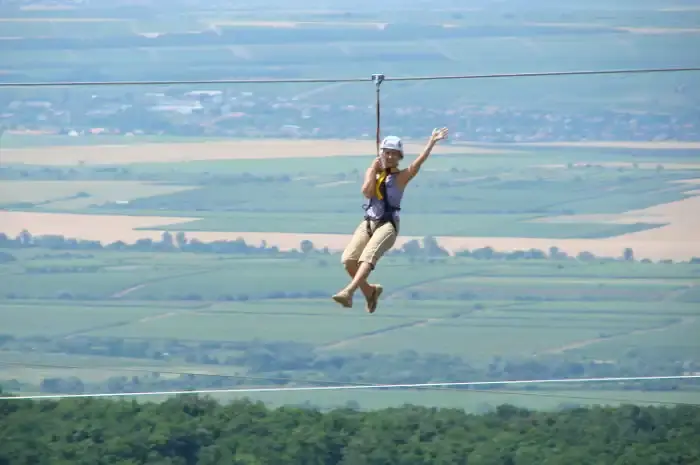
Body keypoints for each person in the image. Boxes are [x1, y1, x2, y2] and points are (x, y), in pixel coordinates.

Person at [332, 127, 449, 312]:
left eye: (394, 154)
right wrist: (372, 171)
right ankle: (370, 292)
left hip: (388, 225)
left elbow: (418, 164)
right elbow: (366, 193)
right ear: (382, 154)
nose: (390, 157)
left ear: (399, 156)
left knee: (367, 259)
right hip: (369, 221)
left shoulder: (401, 177)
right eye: (387, 153)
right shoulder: (373, 172)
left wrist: (431, 142)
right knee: (348, 260)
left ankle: (349, 292)